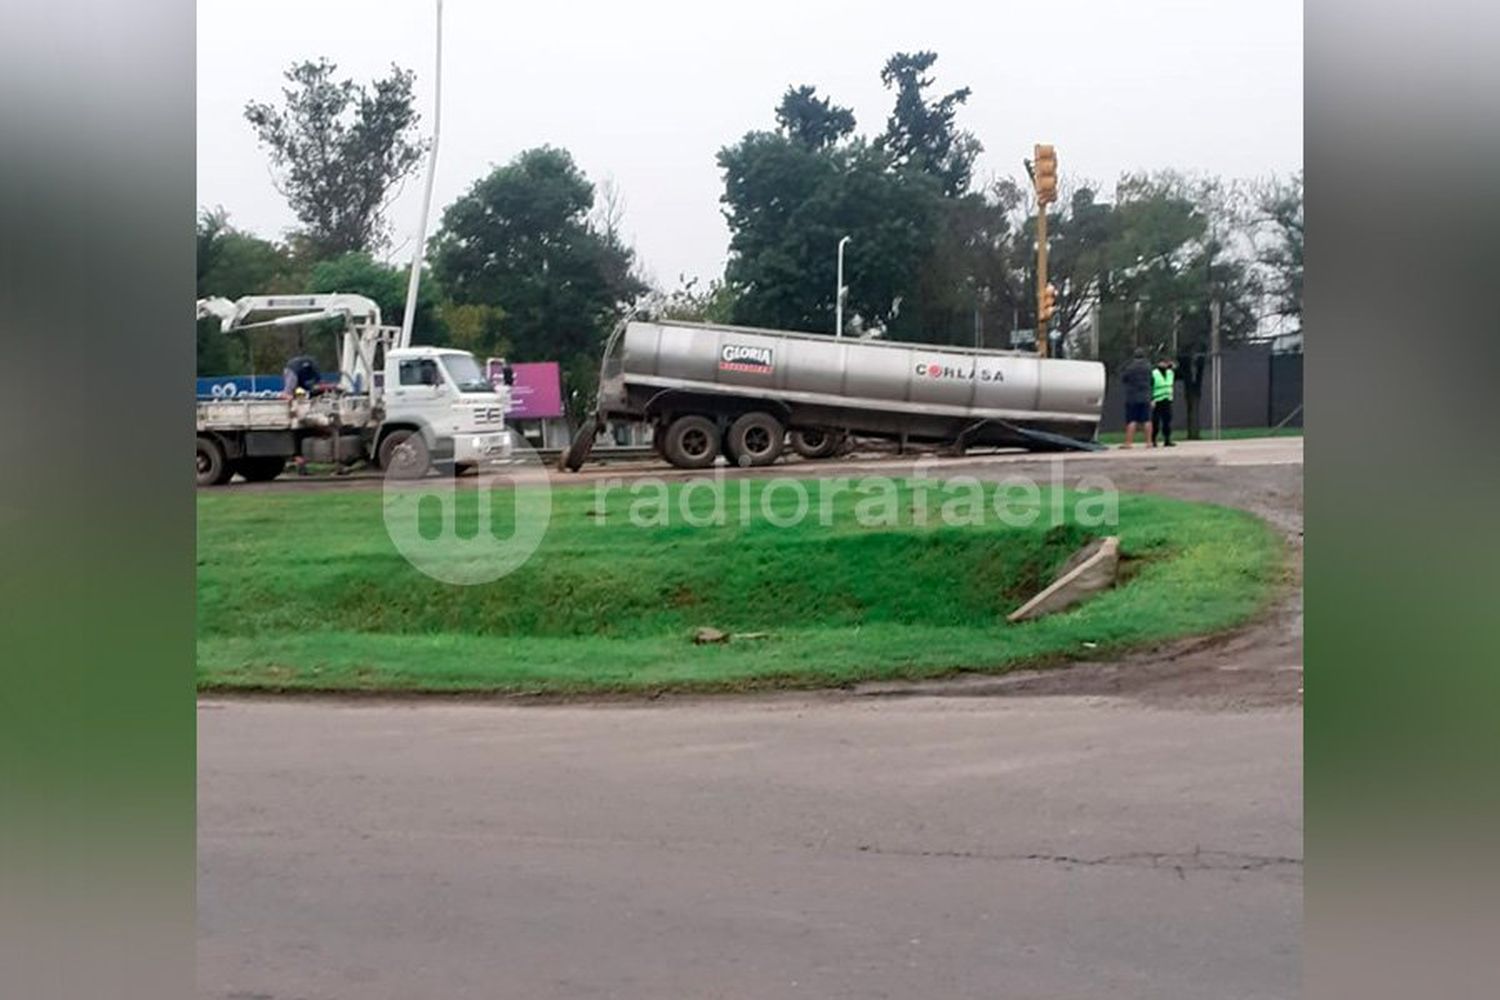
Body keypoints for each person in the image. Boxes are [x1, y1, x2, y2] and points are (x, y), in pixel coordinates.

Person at [1120, 348, 1152, 448]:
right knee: (1146, 420)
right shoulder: (1148, 367)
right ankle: (1148, 442)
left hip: (1132, 397)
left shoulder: (1130, 367)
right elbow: (1151, 380)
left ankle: (1128, 443)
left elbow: (1124, 379)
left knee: (1131, 420)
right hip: (1145, 396)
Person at [1151, 356, 1177, 447]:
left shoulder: (1170, 372)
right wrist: (1151, 399)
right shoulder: (1154, 373)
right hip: (1157, 400)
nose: (1165, 364)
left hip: (1167, 399)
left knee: (1167, 421)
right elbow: (1150, 386)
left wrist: (1174, 367)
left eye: (1166, 362)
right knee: (1155, 421)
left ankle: (1167, 439)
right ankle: (1153, 440)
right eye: (1163, 362)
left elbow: (1180, 375)